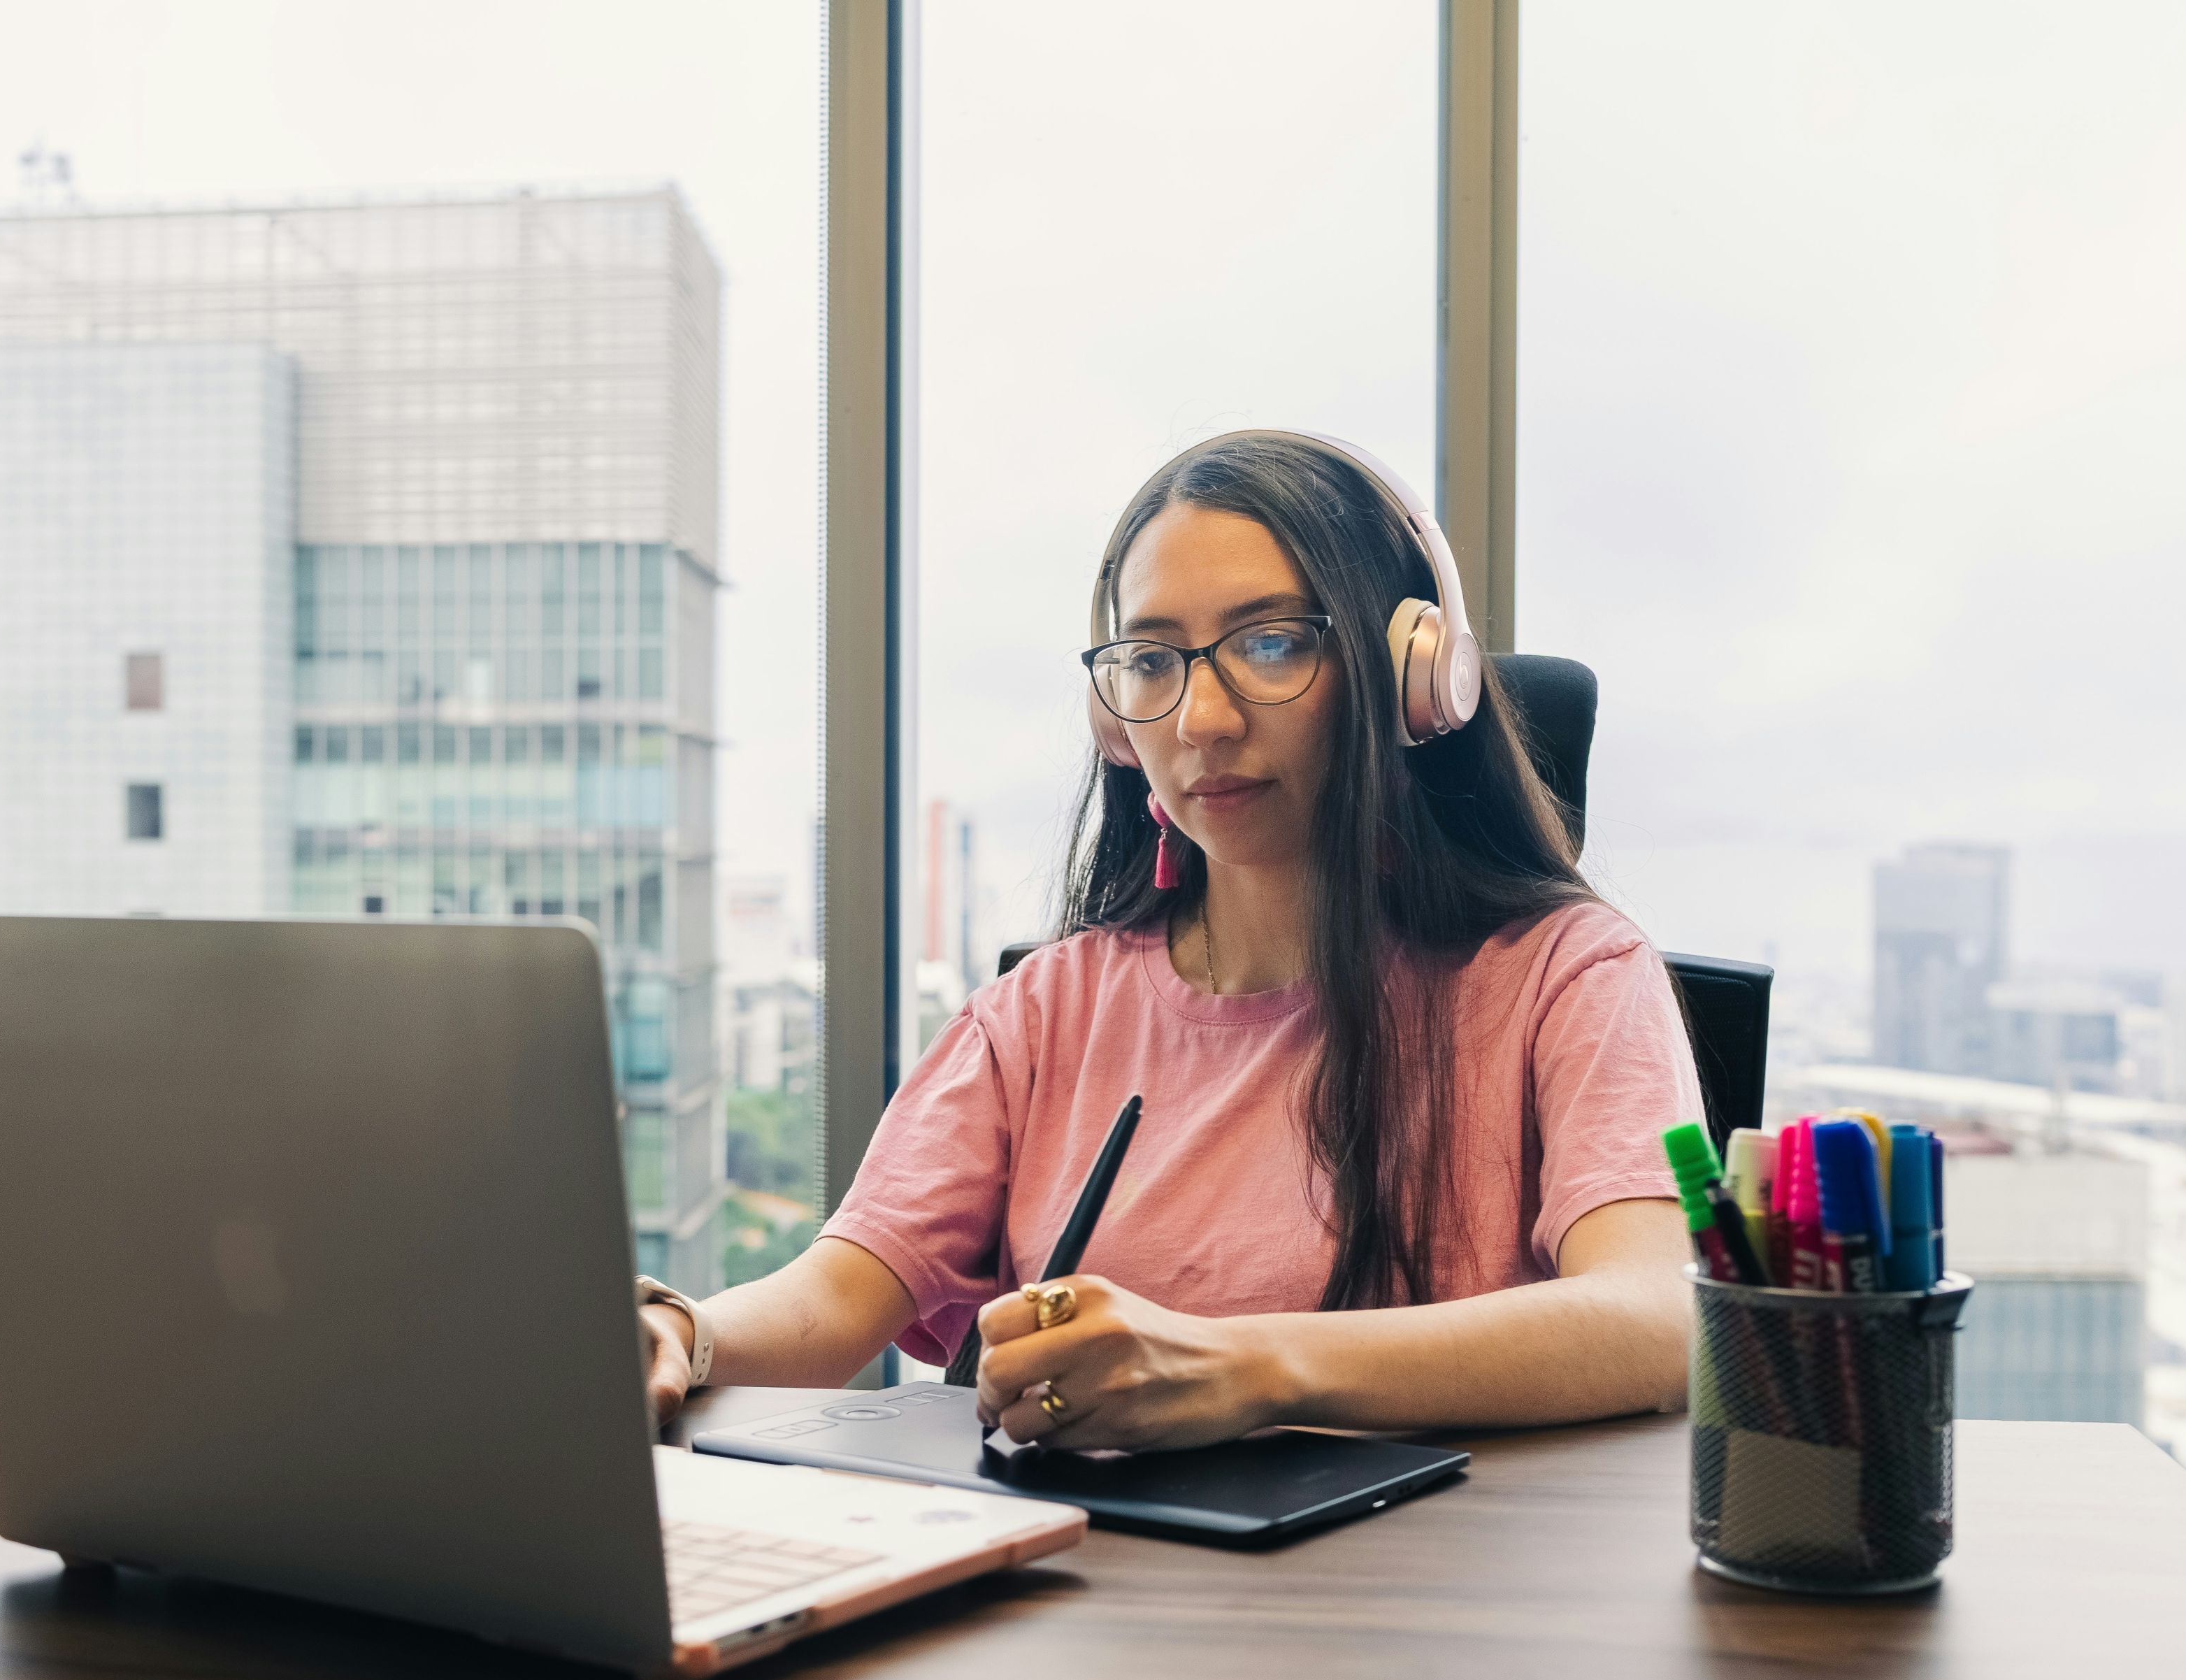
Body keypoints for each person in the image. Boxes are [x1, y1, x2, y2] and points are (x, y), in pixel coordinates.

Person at [643, 429, 1703, 1450]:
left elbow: (1656, 1318)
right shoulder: (1044, 1011)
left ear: (1412, 674)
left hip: (1428, 1609)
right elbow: (833, 1300)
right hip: (1092, 1605)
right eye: (1153, 661)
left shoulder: (1569, 974)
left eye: (1273, 642)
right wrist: (682, 1332)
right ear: (1116, 719)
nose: (1200, 717)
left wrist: (1244, 1369)